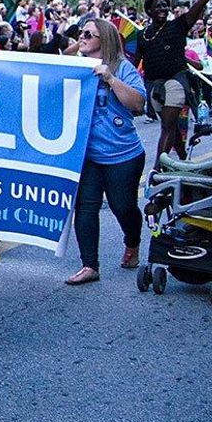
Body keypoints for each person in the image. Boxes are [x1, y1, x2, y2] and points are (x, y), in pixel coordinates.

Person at [66, 19, 147, 285]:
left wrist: (110, 78)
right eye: (81, 33)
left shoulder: (122, 67)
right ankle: (90, 265)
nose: (83, 37)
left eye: (89, 33)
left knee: (122, 207)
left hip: (123, 154)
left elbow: (137, 103)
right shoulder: (76, 66)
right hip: (87, 155)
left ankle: (132, 242)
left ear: (106, 39)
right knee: (85, 208)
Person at [135, 0, 212, 168]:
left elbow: (201, 1)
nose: (163, 8)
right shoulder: (143, 35)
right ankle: (183, 161)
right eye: (158, 6)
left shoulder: (179, 25)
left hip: (176, 82)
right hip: (155, 86)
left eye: (165, 5)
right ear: (149, 11)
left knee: (167, 127)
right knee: (173, 130)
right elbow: (135, 63)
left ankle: (157, 170)